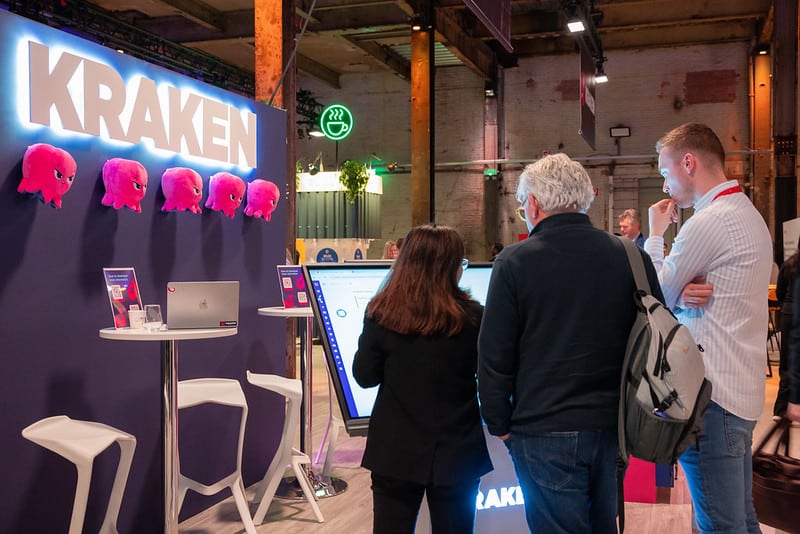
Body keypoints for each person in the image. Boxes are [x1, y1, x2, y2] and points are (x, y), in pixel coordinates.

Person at [477, 153, 663, 533]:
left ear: (533, 203)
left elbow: (495, 355)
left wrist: (500, 425)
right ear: (585, 199)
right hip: (615, 427)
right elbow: (658, 334)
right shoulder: (631, 256)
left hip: (543, 428)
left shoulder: (514, 262)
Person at [645, 122, 772, 533]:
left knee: (721, 525)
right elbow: (677, 294)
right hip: (737, 392)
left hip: (711, 400)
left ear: (688, 162)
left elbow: (654, 294)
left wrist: (654, 236)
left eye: (665, 173)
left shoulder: (708, 222)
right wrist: (682, 295)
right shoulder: (746, 213)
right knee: (741, 520)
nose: (665, 186)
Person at [353, 224, 492, 534]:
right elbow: (489, 375)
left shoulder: (381, 314)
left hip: (394, 451)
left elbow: (364, 377)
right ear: (451, 266)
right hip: (459, 451)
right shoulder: (474, 318)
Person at [774, 239, 800, 418]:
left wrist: (786, 307)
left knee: (786, 360)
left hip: (788, 314)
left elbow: (779, 292)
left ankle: (781, 408)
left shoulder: (789, 264)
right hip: (792, 312)